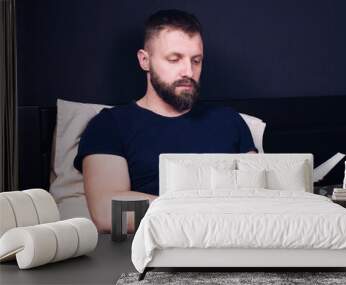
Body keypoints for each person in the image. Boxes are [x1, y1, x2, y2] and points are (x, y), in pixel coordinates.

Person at [73, 9, 258, 232]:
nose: (188, 71)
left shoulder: (229, 121)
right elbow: (107, 213)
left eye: (196, 61)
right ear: (144, 60)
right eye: (174, 59)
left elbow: (256, 197)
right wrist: (201, 211)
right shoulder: (110, 125)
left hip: (232, 244)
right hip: (148, 255)